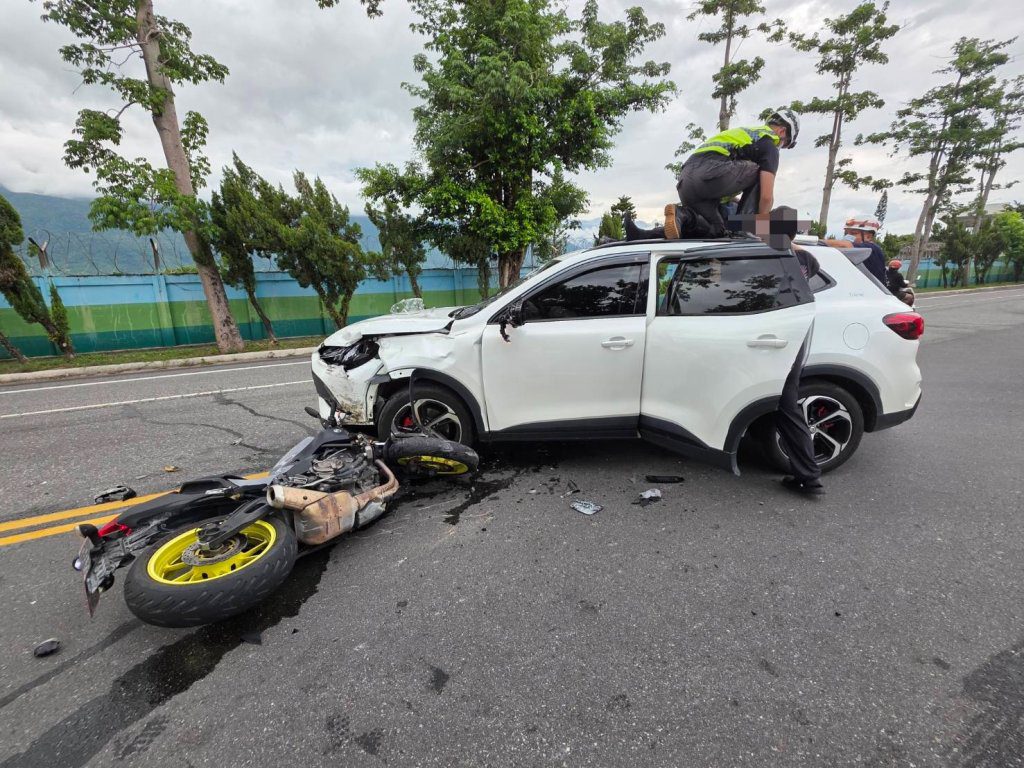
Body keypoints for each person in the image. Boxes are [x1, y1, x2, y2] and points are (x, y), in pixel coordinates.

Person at [625, 108, 801, 241]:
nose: (781, 147)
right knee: (760, 172)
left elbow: (731, 178)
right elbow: (766, 197)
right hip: (709, 173)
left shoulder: (749, 135)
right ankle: (744, 230)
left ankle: (670, 221)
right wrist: (760, 227)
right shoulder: (768, 143)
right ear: (783, 131)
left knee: (717, 230)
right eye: (785, 145)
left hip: (687, 181)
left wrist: (735, 202)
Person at [822, 217, 886, 284]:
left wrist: (816, 242)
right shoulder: (855, 252)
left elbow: (845, 245)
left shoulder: (872, 249)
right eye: (846, 234)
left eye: (853, 233)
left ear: (868, 237)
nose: (848, 236)